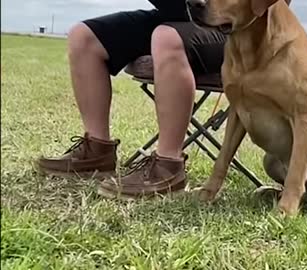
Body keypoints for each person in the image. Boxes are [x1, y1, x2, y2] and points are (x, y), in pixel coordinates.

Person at [35, 1, 226, 199]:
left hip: (231, 25)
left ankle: (168, 167)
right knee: (83, 36)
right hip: (181, 16)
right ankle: (97, 152)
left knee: (166, 37)